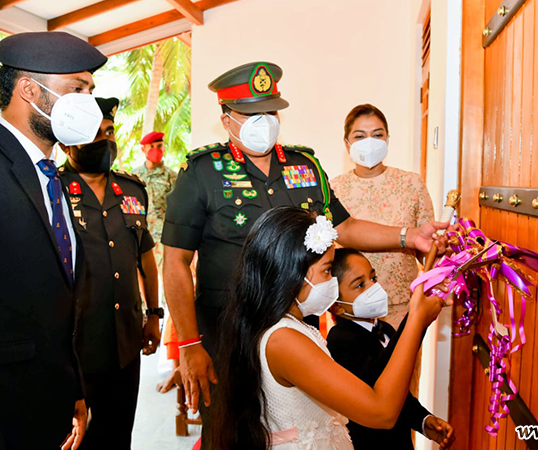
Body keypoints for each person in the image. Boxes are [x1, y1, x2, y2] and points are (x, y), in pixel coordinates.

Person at [161, 63, 449, 427]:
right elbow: (175, 262)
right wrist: (189, 345)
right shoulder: (202, 172)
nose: (263, 121)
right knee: (232, 428)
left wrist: (409, 236)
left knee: (299, 426)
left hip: (298, 329)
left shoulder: (305, 166)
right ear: (227, 119)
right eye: (251, 114)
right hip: (227, 334)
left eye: (270, 111)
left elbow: (345, 227)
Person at [0, 31, 107, 450]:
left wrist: (74, 388)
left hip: (50, 407)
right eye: (77, 89)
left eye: (91, 91)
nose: (89, 103)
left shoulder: (51, 176)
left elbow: (60, 303)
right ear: (29, 90)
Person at [209, 206, 447, 449]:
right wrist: (416, 320)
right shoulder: (283, 339)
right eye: (327, 270)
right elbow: (382, 412)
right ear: (293, 273)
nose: (332, 281)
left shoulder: (292, 328)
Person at [58, 97, 161, 449]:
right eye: (94, 133)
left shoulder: (132, 190)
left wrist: (154, 314)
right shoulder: (54, 191)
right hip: (76, 344)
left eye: (110, 131)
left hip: (125, 341)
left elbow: (145, 258)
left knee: (117, 435)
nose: (105, 140)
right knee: (73, 438)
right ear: (68, 144)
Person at [326, 248, 455, 449]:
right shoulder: (340, 340)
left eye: (373, 278)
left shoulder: (385, 329)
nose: (373, 287)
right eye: (360, 285)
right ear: (337, 306)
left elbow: (399, 391)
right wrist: (416, 320)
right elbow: (379, 376)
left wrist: (423, 420)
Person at [331, 104, 435, 327]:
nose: (369, 142)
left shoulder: (411, 184)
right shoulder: (333, 189)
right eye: (360, 136)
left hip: (402, 305)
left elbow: (427, 250)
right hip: (350, 309)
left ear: (387, 139)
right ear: (347, 143)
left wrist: (443, 254)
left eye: (377, 135)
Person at [131, 131, 180, 378]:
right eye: (153, 146)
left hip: (164, 242)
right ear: (143, 149)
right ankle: (142, 331)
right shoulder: (134, 177)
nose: (157, 150)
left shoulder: (172, 177)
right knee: (140, 288)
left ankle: (171, 347)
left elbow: (177, 212)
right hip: (139, 242)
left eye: (160, 145)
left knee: (169, 288)